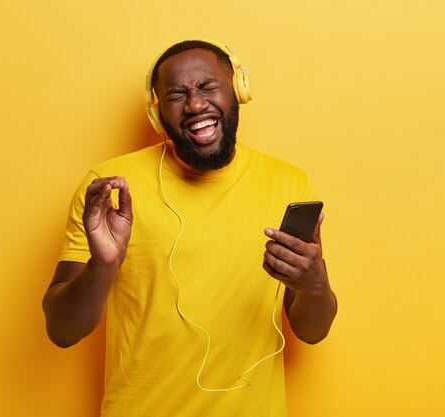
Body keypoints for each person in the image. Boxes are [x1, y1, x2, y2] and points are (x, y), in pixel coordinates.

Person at [42, 39, 337, 417]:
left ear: (238, 91)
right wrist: (102, 265)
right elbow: (62, 331)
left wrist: (314, 284)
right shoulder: (110, 188)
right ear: (157, 113)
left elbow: (312, 331)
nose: (196, 105)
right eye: (176, 95)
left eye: (207, 87)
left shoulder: (289, 183)